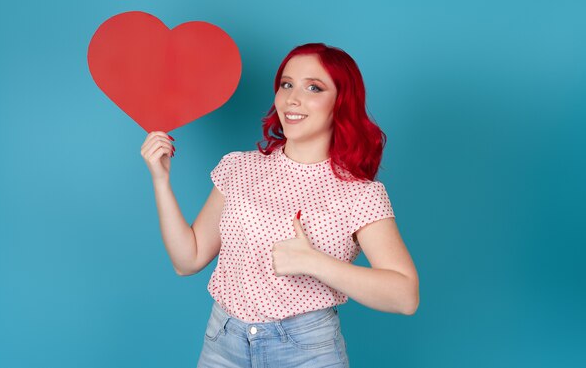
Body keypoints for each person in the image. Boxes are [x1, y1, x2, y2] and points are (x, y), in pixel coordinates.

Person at [140, 43, 419, 367]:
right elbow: (187, 260)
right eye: (286, 84)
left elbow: (405, 295)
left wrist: (314, 262)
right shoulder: (238, 167)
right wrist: (161, 181)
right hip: (223, 343)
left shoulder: (360, 194)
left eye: (313, 87)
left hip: (306, 351)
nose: (292, 98)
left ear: (341, 103)